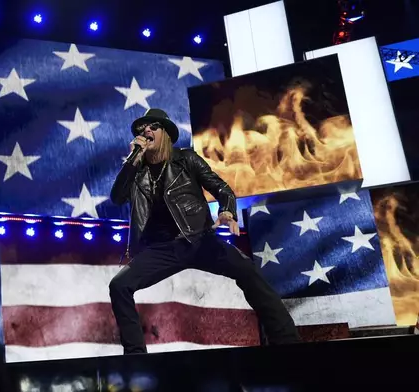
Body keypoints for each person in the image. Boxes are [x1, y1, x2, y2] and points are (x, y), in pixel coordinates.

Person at [109, 108, 301, 354]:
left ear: (166, 133)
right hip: (162, 248)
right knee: (119, 285)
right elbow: (117, 197)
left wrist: (227, 212)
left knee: (246, 270)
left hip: (199, 240)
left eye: (153, 126)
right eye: (141, 129)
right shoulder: (137, 172)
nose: (146, 131)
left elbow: (222, 189)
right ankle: (136, 357)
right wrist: (133, 160)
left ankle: (288, 342)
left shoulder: (186, 159)